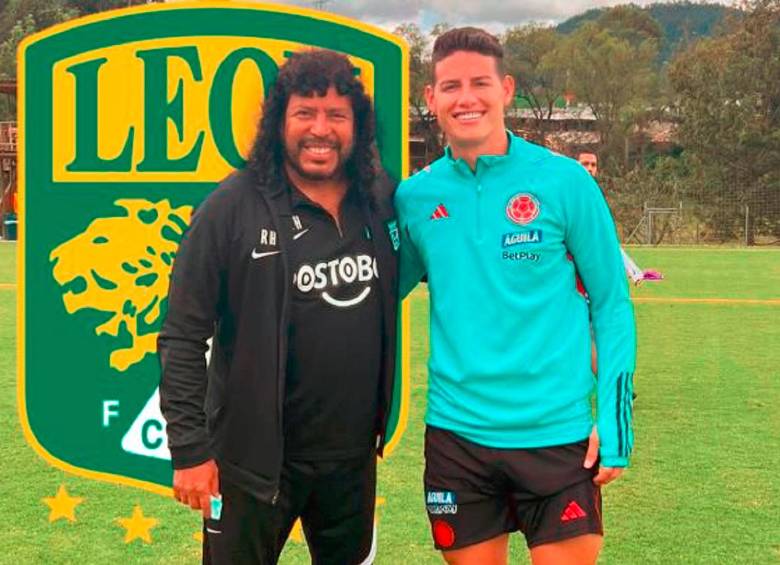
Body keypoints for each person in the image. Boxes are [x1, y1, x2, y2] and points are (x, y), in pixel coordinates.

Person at [395, 28, 636, 565]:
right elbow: (377, 292)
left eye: (480, 83)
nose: (467, 98)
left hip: (557, 435)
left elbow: (612, 304)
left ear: (506, 89)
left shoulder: (566, 182)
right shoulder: (415, 198)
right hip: (458, 439)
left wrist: (617, 421)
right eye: (450, 86)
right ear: (431, 99)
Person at [158, 49, 399, 565]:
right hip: (250, 462)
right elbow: (182, 334)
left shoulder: (379, 197)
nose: (321, 130)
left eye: (337, 115)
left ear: (357, 126)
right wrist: (189, 449)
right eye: (305, 114)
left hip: (350, 460)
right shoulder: (231, 206)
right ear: (279, 122)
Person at [576, 152, 663, 285]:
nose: (589, 168)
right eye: (585, 164)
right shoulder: (572, 188)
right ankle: (635, 274)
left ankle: (635, 273)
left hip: (588, 235)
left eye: (593, 165)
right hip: (574, 236)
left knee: (611, 246)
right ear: (576, 165)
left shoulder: (593, 189)